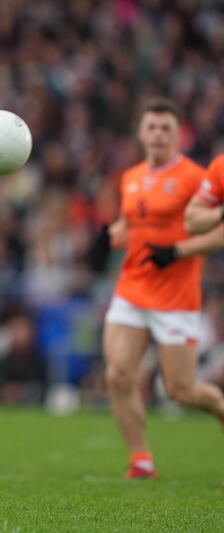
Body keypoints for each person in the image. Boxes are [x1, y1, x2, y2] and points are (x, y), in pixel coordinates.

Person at [100, 97, 224, 480]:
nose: (157, 134)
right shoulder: (131, 177)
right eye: (151, 127)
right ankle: (141, 460)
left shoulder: (193, 177)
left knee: (181, 391)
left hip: (175, 297)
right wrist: (115, 234)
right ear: (140, 133)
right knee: (118, 374)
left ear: (177, 135)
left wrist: (178, 251)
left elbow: (219, 229)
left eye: (165, 128)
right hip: (132, 289)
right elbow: (128, 224)